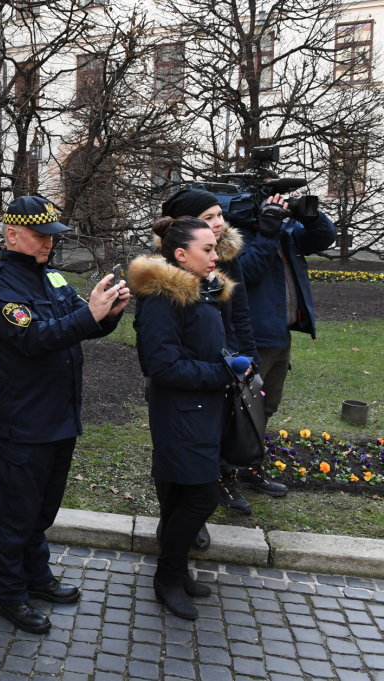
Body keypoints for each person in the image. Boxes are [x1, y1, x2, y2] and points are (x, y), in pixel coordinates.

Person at [0, 196, 130, 634]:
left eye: (52, 237)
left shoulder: (52, 277)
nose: (49, 244)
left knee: (42, 511)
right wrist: (89, 316)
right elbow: (35, 339)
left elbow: (80, 323)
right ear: (12, 235)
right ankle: (12, 595)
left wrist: (109, 314)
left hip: (61, 415)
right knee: (15, 516)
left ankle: (36, 576)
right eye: (41, 237)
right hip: (26, 422)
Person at [128, 216, 237, 619]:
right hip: (179, 413)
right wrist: (222, 373)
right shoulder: (163, 299)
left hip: (203, 409)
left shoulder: (201, 292)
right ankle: (167, 577)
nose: (215, 256)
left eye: (215, 247)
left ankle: (177, 572)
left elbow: (208, 344)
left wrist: (233, 362)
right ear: (180, 254)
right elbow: (161, 366)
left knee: (177, 496)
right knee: (202, 496)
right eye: (207, 249)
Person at [157, 189, 270, 527]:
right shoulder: (167, 272)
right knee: (178, 452)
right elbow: (161, 346)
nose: (219, 223)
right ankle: (175, 520)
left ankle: (217, 490)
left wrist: (248, 357)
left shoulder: (224, 258)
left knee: (220, 435)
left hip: (225, 366)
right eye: (209, 218)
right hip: (188, 372)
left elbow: (240, 314)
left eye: (220, 215)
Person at [235, 193, 336, 489]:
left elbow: (323, 238)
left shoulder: (287, 231)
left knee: (266, 406)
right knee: (242, 407)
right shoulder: (239, 234)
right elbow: (247, 273)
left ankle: (251, 469)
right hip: (253, 335)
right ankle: (225, 473)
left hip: (280, 333)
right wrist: (266, 233)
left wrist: (309, 215)